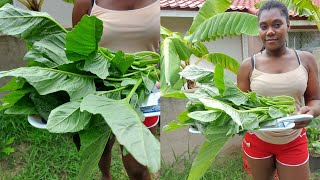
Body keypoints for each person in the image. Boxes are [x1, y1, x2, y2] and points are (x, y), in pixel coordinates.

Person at [72, 0, 160, 180]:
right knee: (102, 146)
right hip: (102, 91)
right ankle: (106, 176)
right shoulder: (87, 2)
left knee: (137, 168)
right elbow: (79, 49)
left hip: (143, 92)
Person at [237, 1, 320, 180]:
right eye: (263, 26)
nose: (270, 31)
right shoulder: (247, 66)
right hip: (258, 140)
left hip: (293, 139)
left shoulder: (305, 60)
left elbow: (315, 99)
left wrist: (311, 111)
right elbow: (240, 108)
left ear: (288, 25)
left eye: (277, 24)